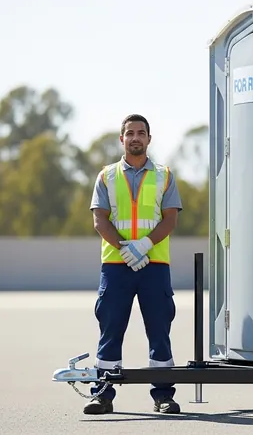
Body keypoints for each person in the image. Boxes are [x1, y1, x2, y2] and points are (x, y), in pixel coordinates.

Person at [83, 113, 183, 415]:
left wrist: (144, 246)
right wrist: (125, 249)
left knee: (159, 331)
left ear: (149, 139)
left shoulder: (165, 175)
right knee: (110, 329)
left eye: (141, 132)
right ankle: (102, 395)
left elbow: (170, 219)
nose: (135, 137)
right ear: (122, 139)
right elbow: (99, 219)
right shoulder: (106, 176)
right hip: (116, 266)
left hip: (155, 264)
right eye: (130, 133)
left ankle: (163, 395)